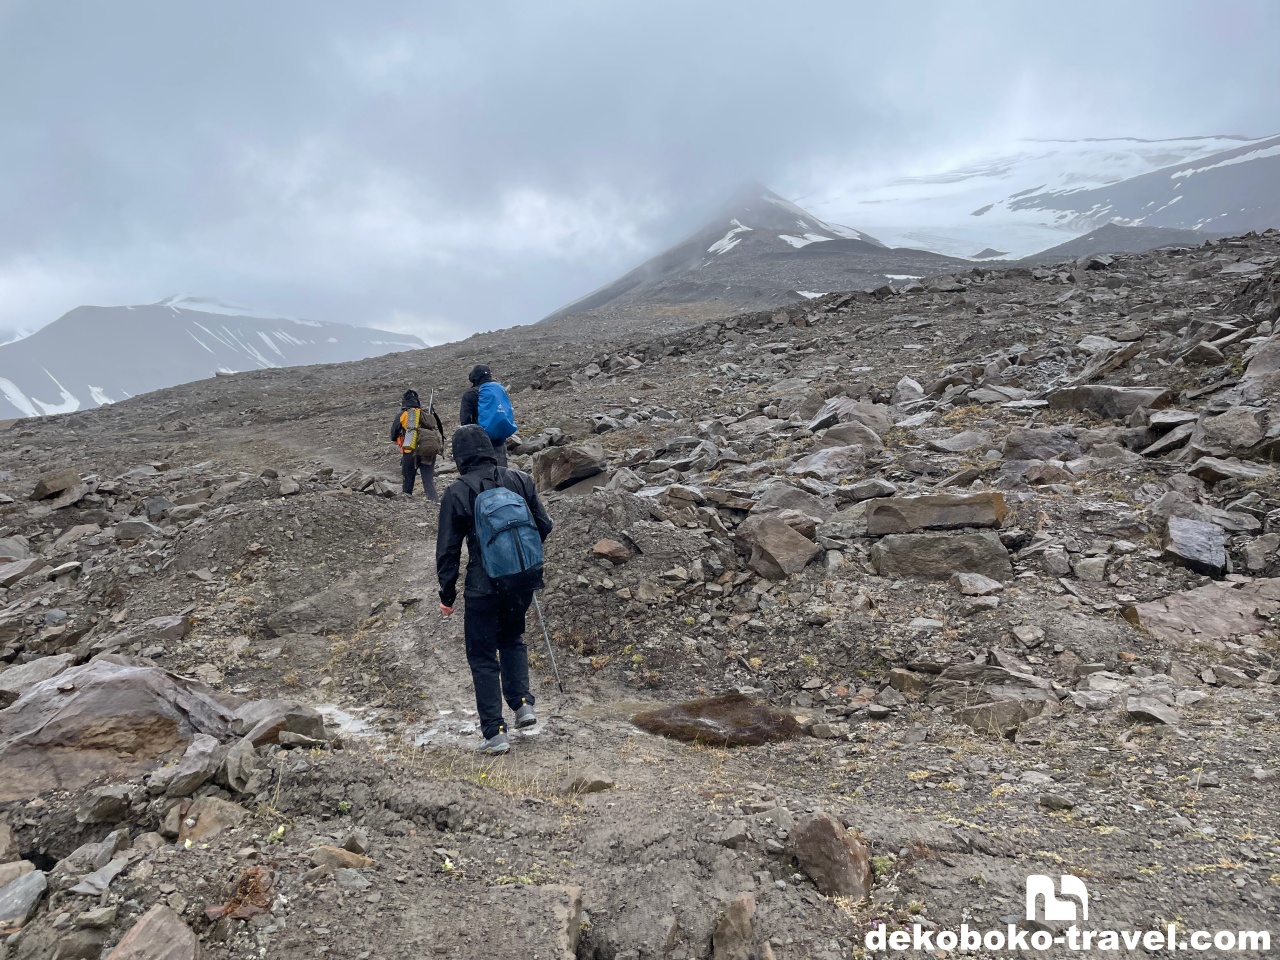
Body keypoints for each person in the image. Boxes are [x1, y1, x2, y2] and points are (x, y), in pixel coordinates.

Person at [437, 424, 553, 755]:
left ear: (459, 457)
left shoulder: (457, 492)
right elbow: (544, 525)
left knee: (483, 654)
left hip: (482, 586)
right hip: (523, 580)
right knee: (513, 638)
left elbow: (447, 551)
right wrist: (522, 559)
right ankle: (523, 706)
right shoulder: (519, 479)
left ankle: (495, 733)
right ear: (489, 448)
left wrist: (447, 596)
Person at [390, 389, 445, 500]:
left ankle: (407, 503)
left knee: (408, 481)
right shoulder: (426, 414)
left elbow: (393, 435)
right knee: (428, 480)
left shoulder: (403, 415)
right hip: (428, 449)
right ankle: (434, 502)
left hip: (410, 452)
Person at [458, 364, 510, 467]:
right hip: (499, 438)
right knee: (502, 472)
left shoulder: (470, 394)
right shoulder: (498, 390)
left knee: (484, 474)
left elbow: (465, 421)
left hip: (479, 440)